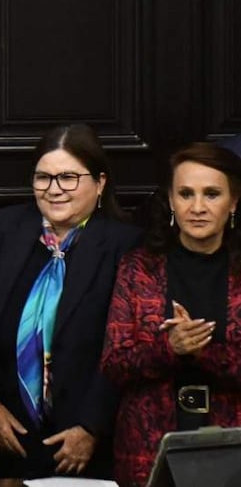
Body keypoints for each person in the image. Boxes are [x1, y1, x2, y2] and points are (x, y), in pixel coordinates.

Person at [0, 124, 141, 479]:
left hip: (84, 444)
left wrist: (92, 428)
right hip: (7, 439)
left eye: (68, 178)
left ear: (100, 183)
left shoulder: (125, 245)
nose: (54, 189)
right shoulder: (7, 229)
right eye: (43, 178)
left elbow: (125, 349)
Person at [101, 143, 241, 486]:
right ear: (172, 201)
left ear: (233, 202)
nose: (197, 207)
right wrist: (169, 348)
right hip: (147, 450)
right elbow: (113, 364)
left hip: (234, 445)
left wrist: (203, 352)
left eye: (211, 194)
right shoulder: (139, 269)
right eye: (185, 194)